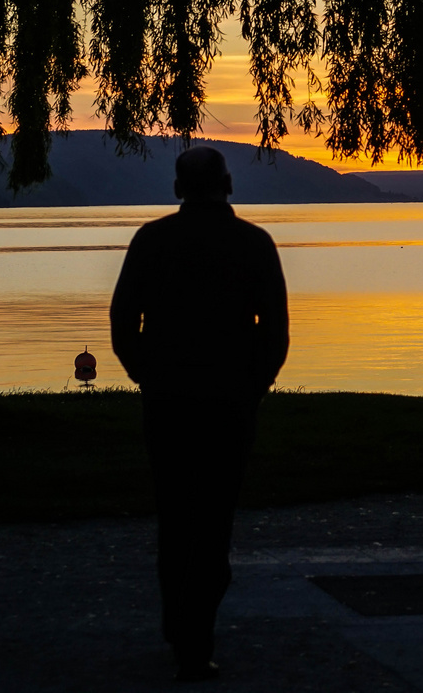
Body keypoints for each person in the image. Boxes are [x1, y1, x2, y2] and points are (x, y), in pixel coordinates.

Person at [110, 146, 289, 682]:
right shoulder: (253, 244)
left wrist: (146, 373)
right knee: (214, 519)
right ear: (228, 184)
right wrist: (253, 385)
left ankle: (179, 624)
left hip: (168, 399)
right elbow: (274, 331)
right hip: (228, 401)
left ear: (177, 189)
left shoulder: (152, 240)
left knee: (175, 514)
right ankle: (196, 636)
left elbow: (123, 320)